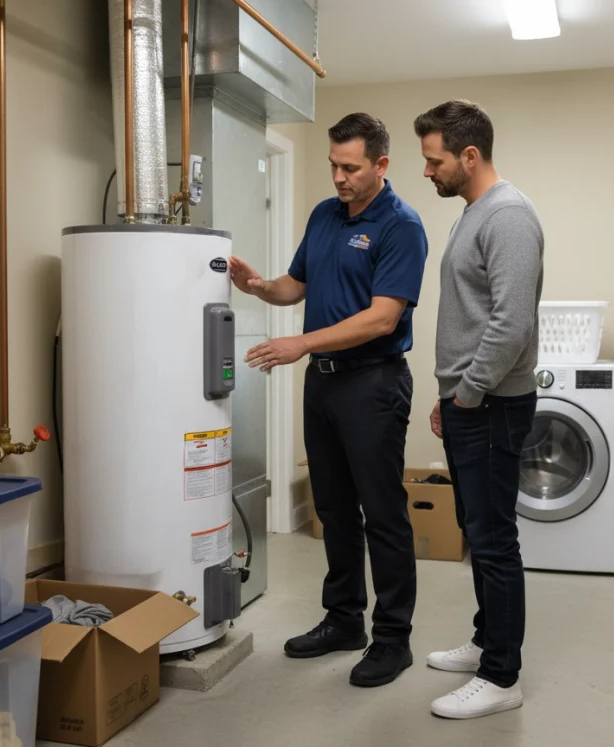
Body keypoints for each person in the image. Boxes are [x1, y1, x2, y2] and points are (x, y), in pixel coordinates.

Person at [228, 112, 429, 688]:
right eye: (334, 166)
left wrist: (300, 342)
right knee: (335, 509)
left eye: (351, 167)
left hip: (373, 383)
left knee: (383, 514)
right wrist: (260, 286)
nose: (339, 177)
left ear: (381, 165)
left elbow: (381, 317)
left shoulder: (401, 226)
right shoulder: (324, 215)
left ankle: (394, 639)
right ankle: (344, 620)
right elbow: (299, 284)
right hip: (323, 383)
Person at [413, 99, 543, 719]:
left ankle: (501, 676)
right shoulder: (472, 212)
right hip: (468, 402)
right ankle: (486, 641)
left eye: (434, 160)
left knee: (494, 542)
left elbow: (510, 323)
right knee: (478, 532)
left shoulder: (509, 215)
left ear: (470, 155)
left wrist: (467, 393)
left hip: (490, 404)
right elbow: (474, 312)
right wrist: (450, 397)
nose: (427, 171)